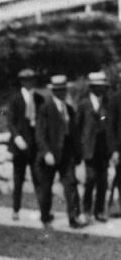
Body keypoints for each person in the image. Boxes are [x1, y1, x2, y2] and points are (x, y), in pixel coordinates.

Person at [36, 75, 84, 229]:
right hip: (50, 154)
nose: (61, 93)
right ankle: (45, 216)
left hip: (67, 154)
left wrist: (78, 154)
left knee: (71, 185)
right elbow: (40, 133)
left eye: (63, 90)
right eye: (58, 90)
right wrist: (46, 152)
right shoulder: (45, 108)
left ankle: (73, 218)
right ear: (53, 91)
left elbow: (74, 133)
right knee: (46, 187)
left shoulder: (69, 109)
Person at [6, 68, 43, 221]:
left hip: (35, 145)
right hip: (20, 145)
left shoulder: (39, 98)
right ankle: (16, 209)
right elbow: (10, 121)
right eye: (26, 80)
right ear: (21, 82)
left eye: (31, 80)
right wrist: (17, 137)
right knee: (18, 179)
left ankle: (43, 210)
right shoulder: (15, 99)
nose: (29, 83)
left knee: (39, 178)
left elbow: (43, 120)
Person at [77, 71, 112, 223]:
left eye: (102, 87)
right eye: (96, 87)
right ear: (91, 87)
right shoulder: (84, 104)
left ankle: (99, 211)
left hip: (104, 149)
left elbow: (110, 123)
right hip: (89, 148)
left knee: (103, 181)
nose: (100, 90)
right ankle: (86, 210)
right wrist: (80, 147)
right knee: (90, 179)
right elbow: (77, 127)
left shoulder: (107, 103)